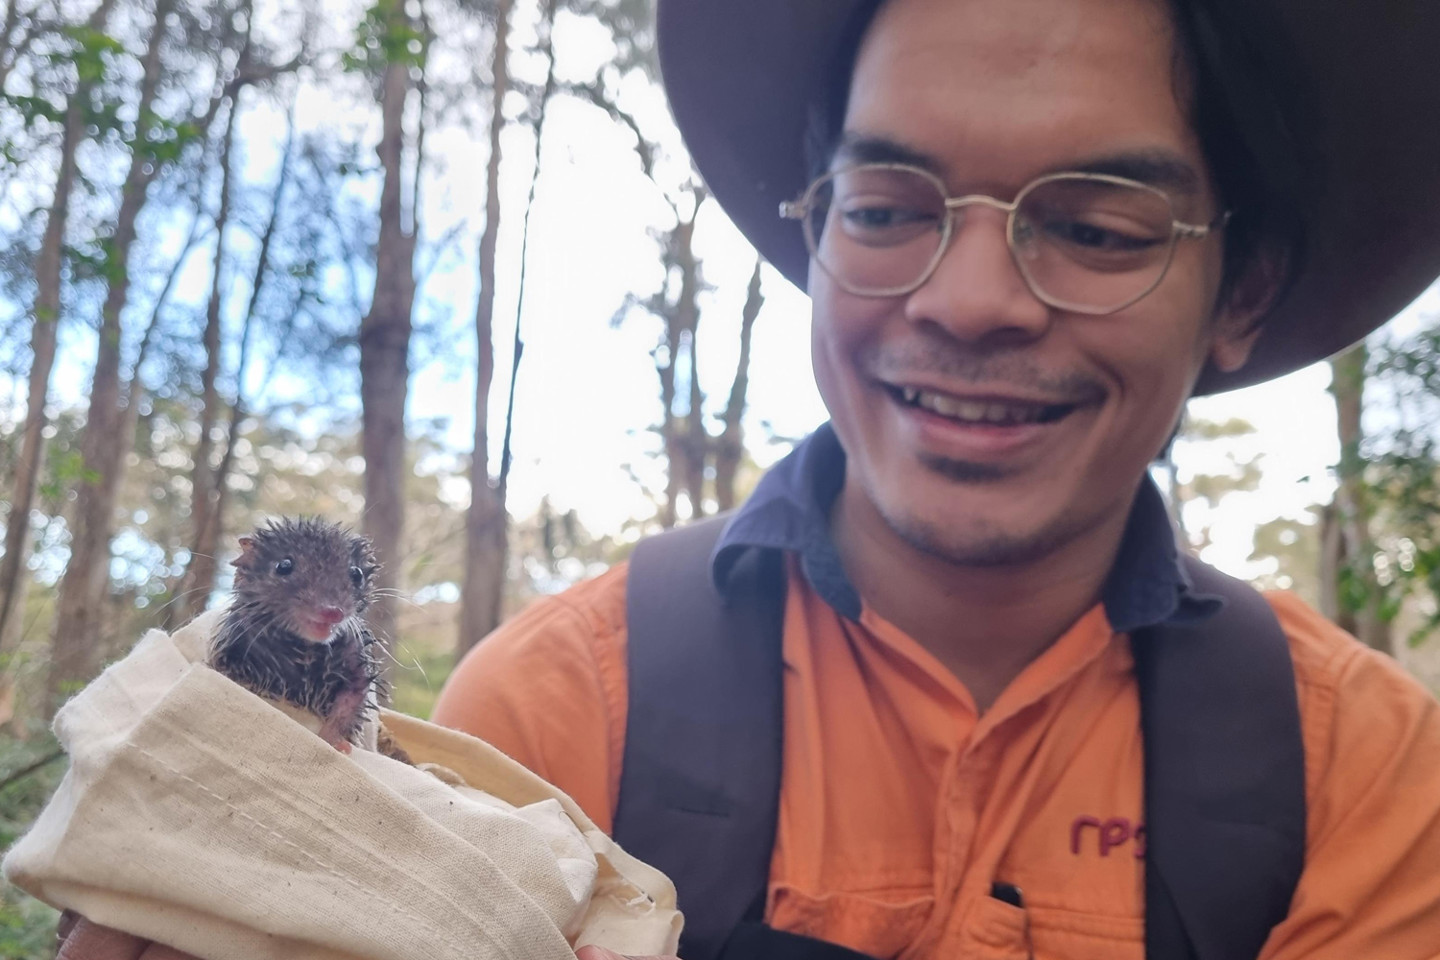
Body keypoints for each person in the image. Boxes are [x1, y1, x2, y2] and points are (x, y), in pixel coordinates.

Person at [59, 0, 1440, 957]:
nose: (969, 302)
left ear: (1239, 289)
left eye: (1094, 226)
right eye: (893, 209)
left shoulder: (1364, 777)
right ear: (819, 230)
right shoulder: (551, 716)